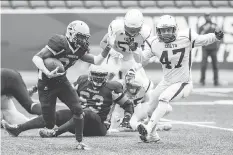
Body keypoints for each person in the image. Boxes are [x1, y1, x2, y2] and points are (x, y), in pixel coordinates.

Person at [130, 15, 224, 143]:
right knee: (151, 105)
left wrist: (216, 36)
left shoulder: (185, 37)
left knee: (164, 98)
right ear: (159, 31)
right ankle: (152, 135)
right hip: (167, 81)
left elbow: (203, 39)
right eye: (164, 30)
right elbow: (141, 59)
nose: (166, 33)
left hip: (183, 82)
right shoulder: (154, 43)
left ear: (175, 29)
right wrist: (134, 49)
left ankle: (148, 128)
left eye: (169, 29)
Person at [31, 20, 111, 150]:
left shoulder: (80, 49)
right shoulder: (59, 42)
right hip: (46, 83)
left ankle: (79, 142)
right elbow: (36, 58)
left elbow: (96, 61)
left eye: (85, 38)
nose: (83, 40)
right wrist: (47, 72)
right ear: (71, 33)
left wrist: (108, 48)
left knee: (78, 110)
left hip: (61, 81)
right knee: (50, 123)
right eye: (80, 36)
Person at [2, 65, 134, 140]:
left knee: (86, 112)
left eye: (101, 76)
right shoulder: (82, 81)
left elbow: (128, 105)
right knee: (56, 114)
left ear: (106, 77)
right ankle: (18, 129)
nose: (98, 78)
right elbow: (64, 90)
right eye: (96, 75)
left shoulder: (112, 87)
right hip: (78, 121)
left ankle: (55, 133)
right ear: (90, 74)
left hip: (98, 126)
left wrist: (127, 119)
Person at [100, 9, 154, 92]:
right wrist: (112, 52)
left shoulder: (145, 32)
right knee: (104, 85)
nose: (131, 33)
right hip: (114, 59)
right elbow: (102, 43)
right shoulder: (116, 27)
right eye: (129, 29)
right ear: (124, 24)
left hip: (131, 60)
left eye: (135, 30)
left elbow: (145, 58)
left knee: (145, 87)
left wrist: (134, 69)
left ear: (141, 26)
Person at [199, 13, 221, 86]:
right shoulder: (202, 27)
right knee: (203, 65)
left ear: (211, 16)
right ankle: (202, 80)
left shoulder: (215, 25)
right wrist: (205, 30)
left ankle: (216, 80)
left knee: (215, 65)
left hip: (213, 48)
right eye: (206, 16)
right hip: (205, 48)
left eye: (208, 16)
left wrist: (218, 46)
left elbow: (220, 36)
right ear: (204, 17)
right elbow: (198, 38)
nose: (207, 17)